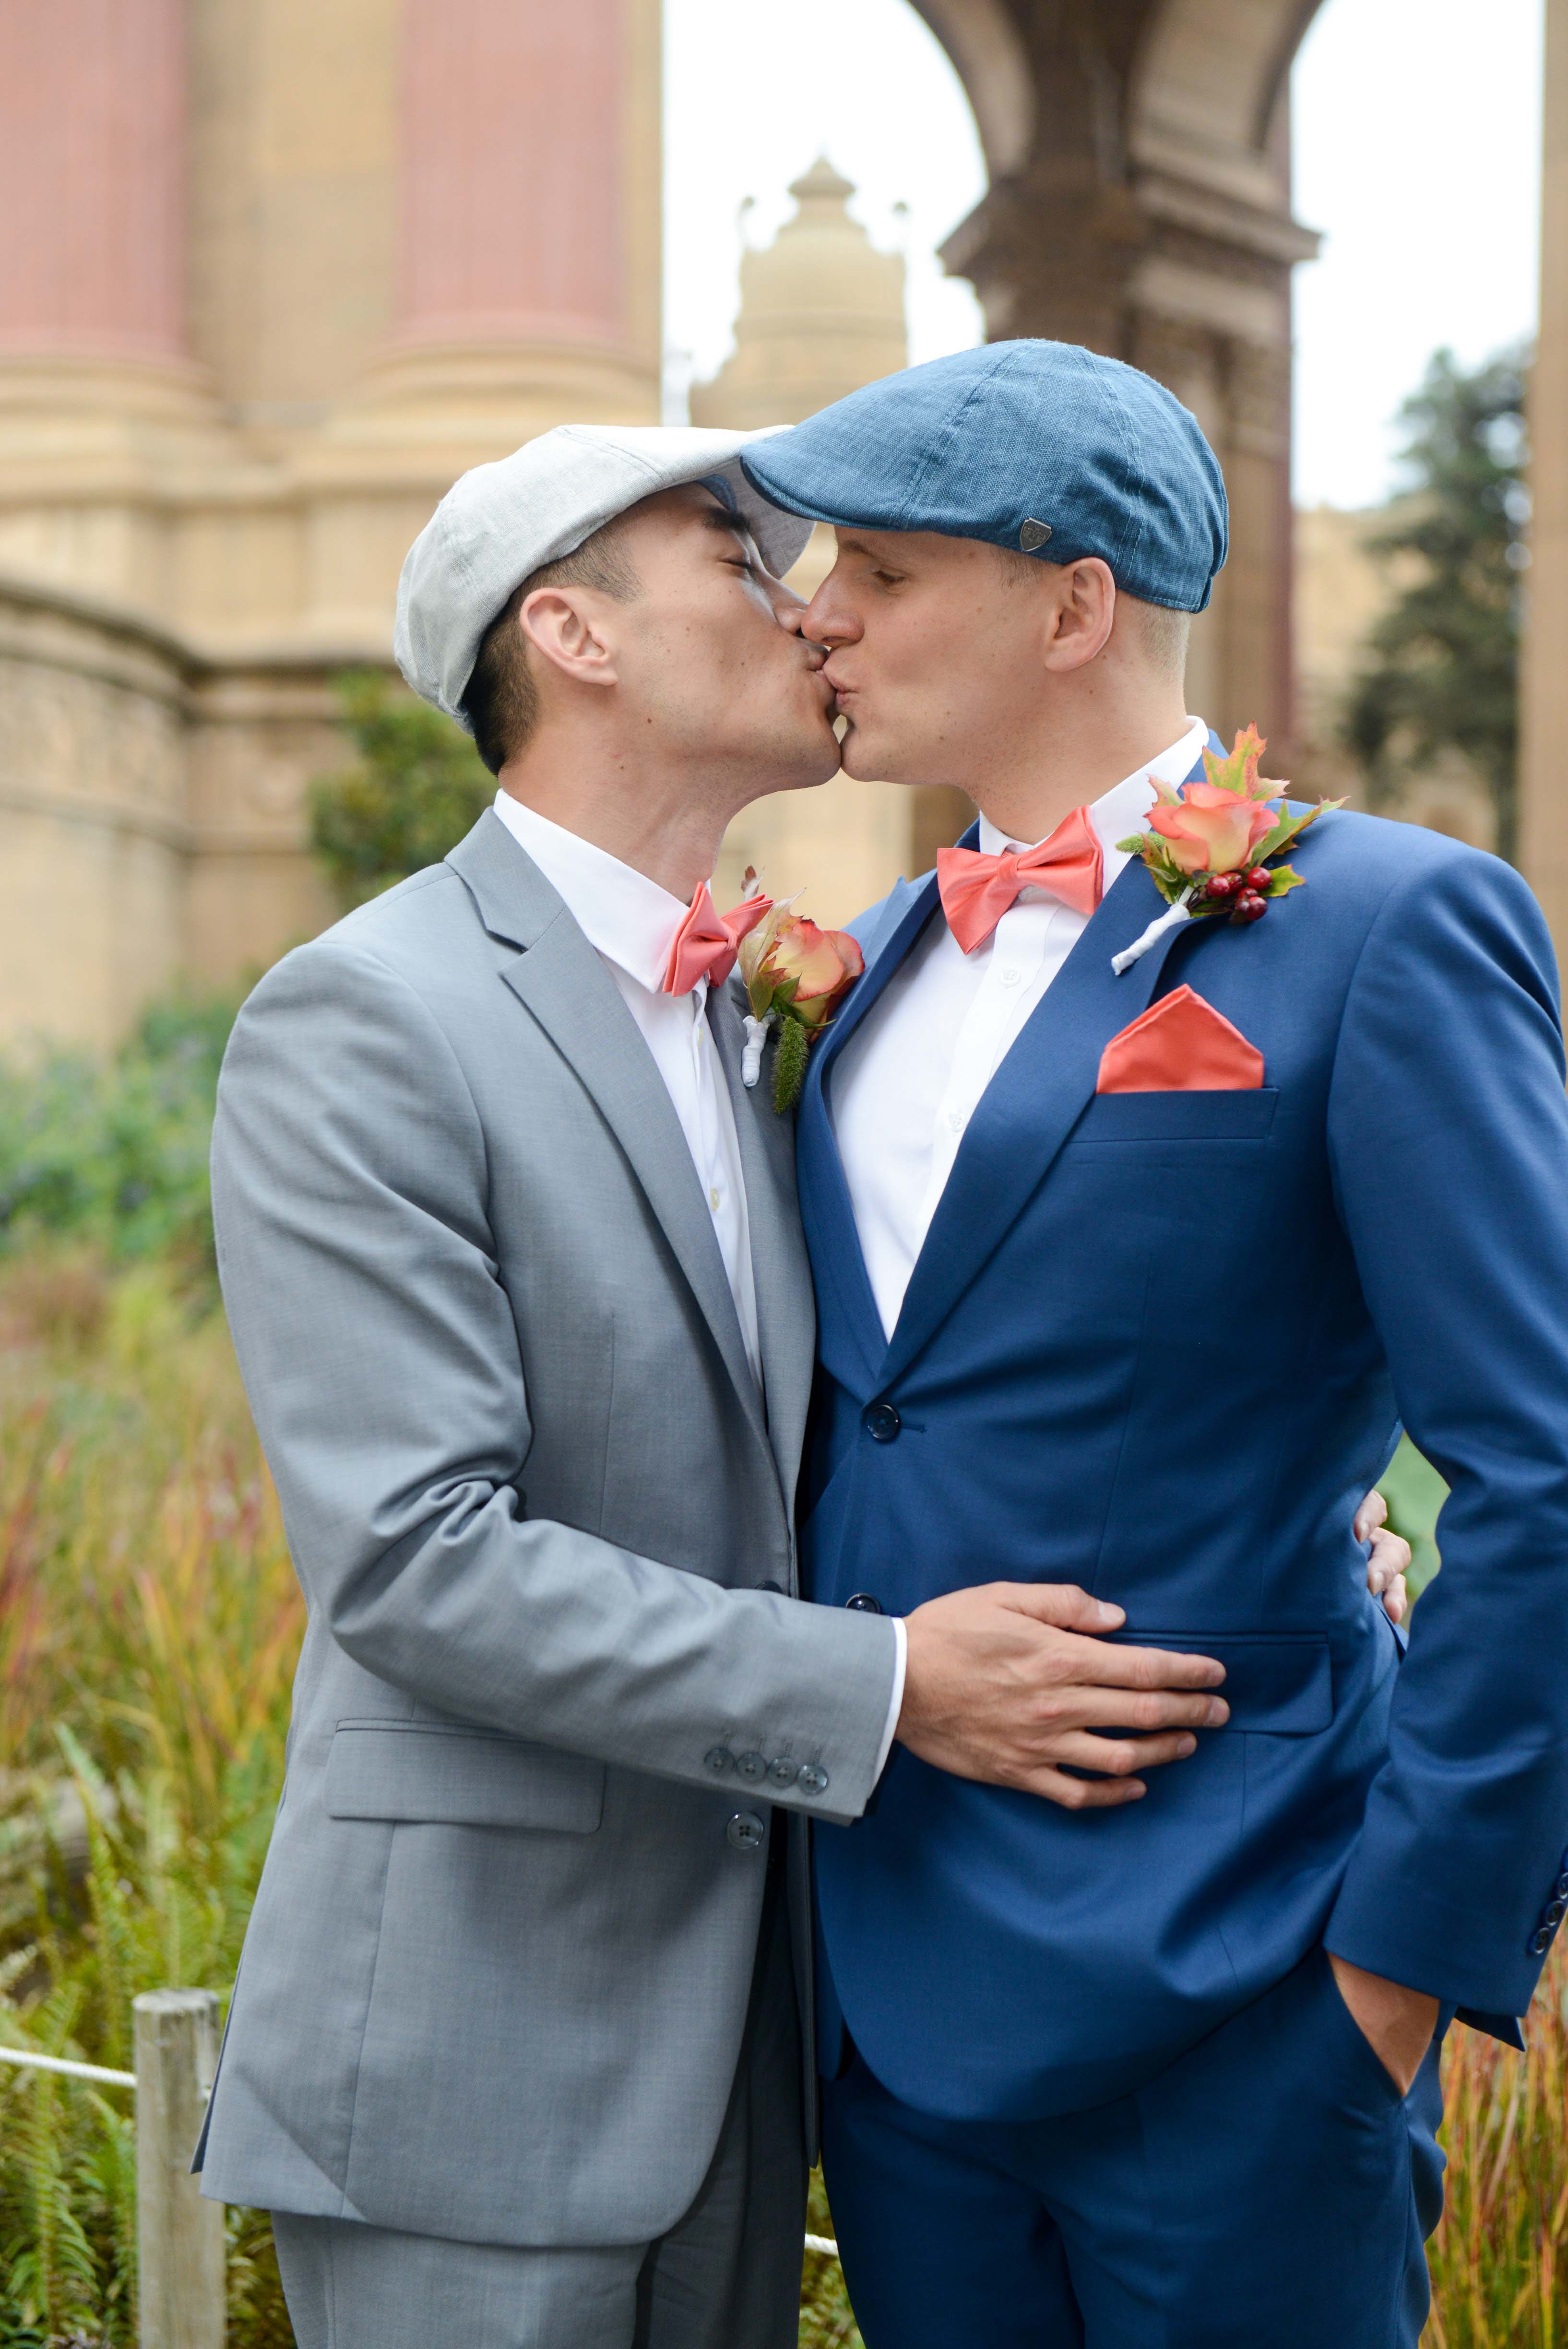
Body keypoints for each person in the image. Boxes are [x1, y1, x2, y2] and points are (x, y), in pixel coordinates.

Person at [193, 423, 1266, 2349]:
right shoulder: (366, 1016)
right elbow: (420, 1563)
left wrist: (1289, 1501)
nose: (806, 606)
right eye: (733, 556)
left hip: (759, 2062)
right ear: (574, 635)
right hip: (475, 2067)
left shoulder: (793, 1014)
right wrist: (887, 1687)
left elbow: (910, 1390)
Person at [738, 341, 1568, 2349]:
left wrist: (1389, 1979)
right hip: (894, 2010)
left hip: (1248, 1995)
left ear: (1071, 601)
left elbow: (1539, 1473)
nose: (817, 609)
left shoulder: (1383, 926)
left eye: (885, 569)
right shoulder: (867, 974)